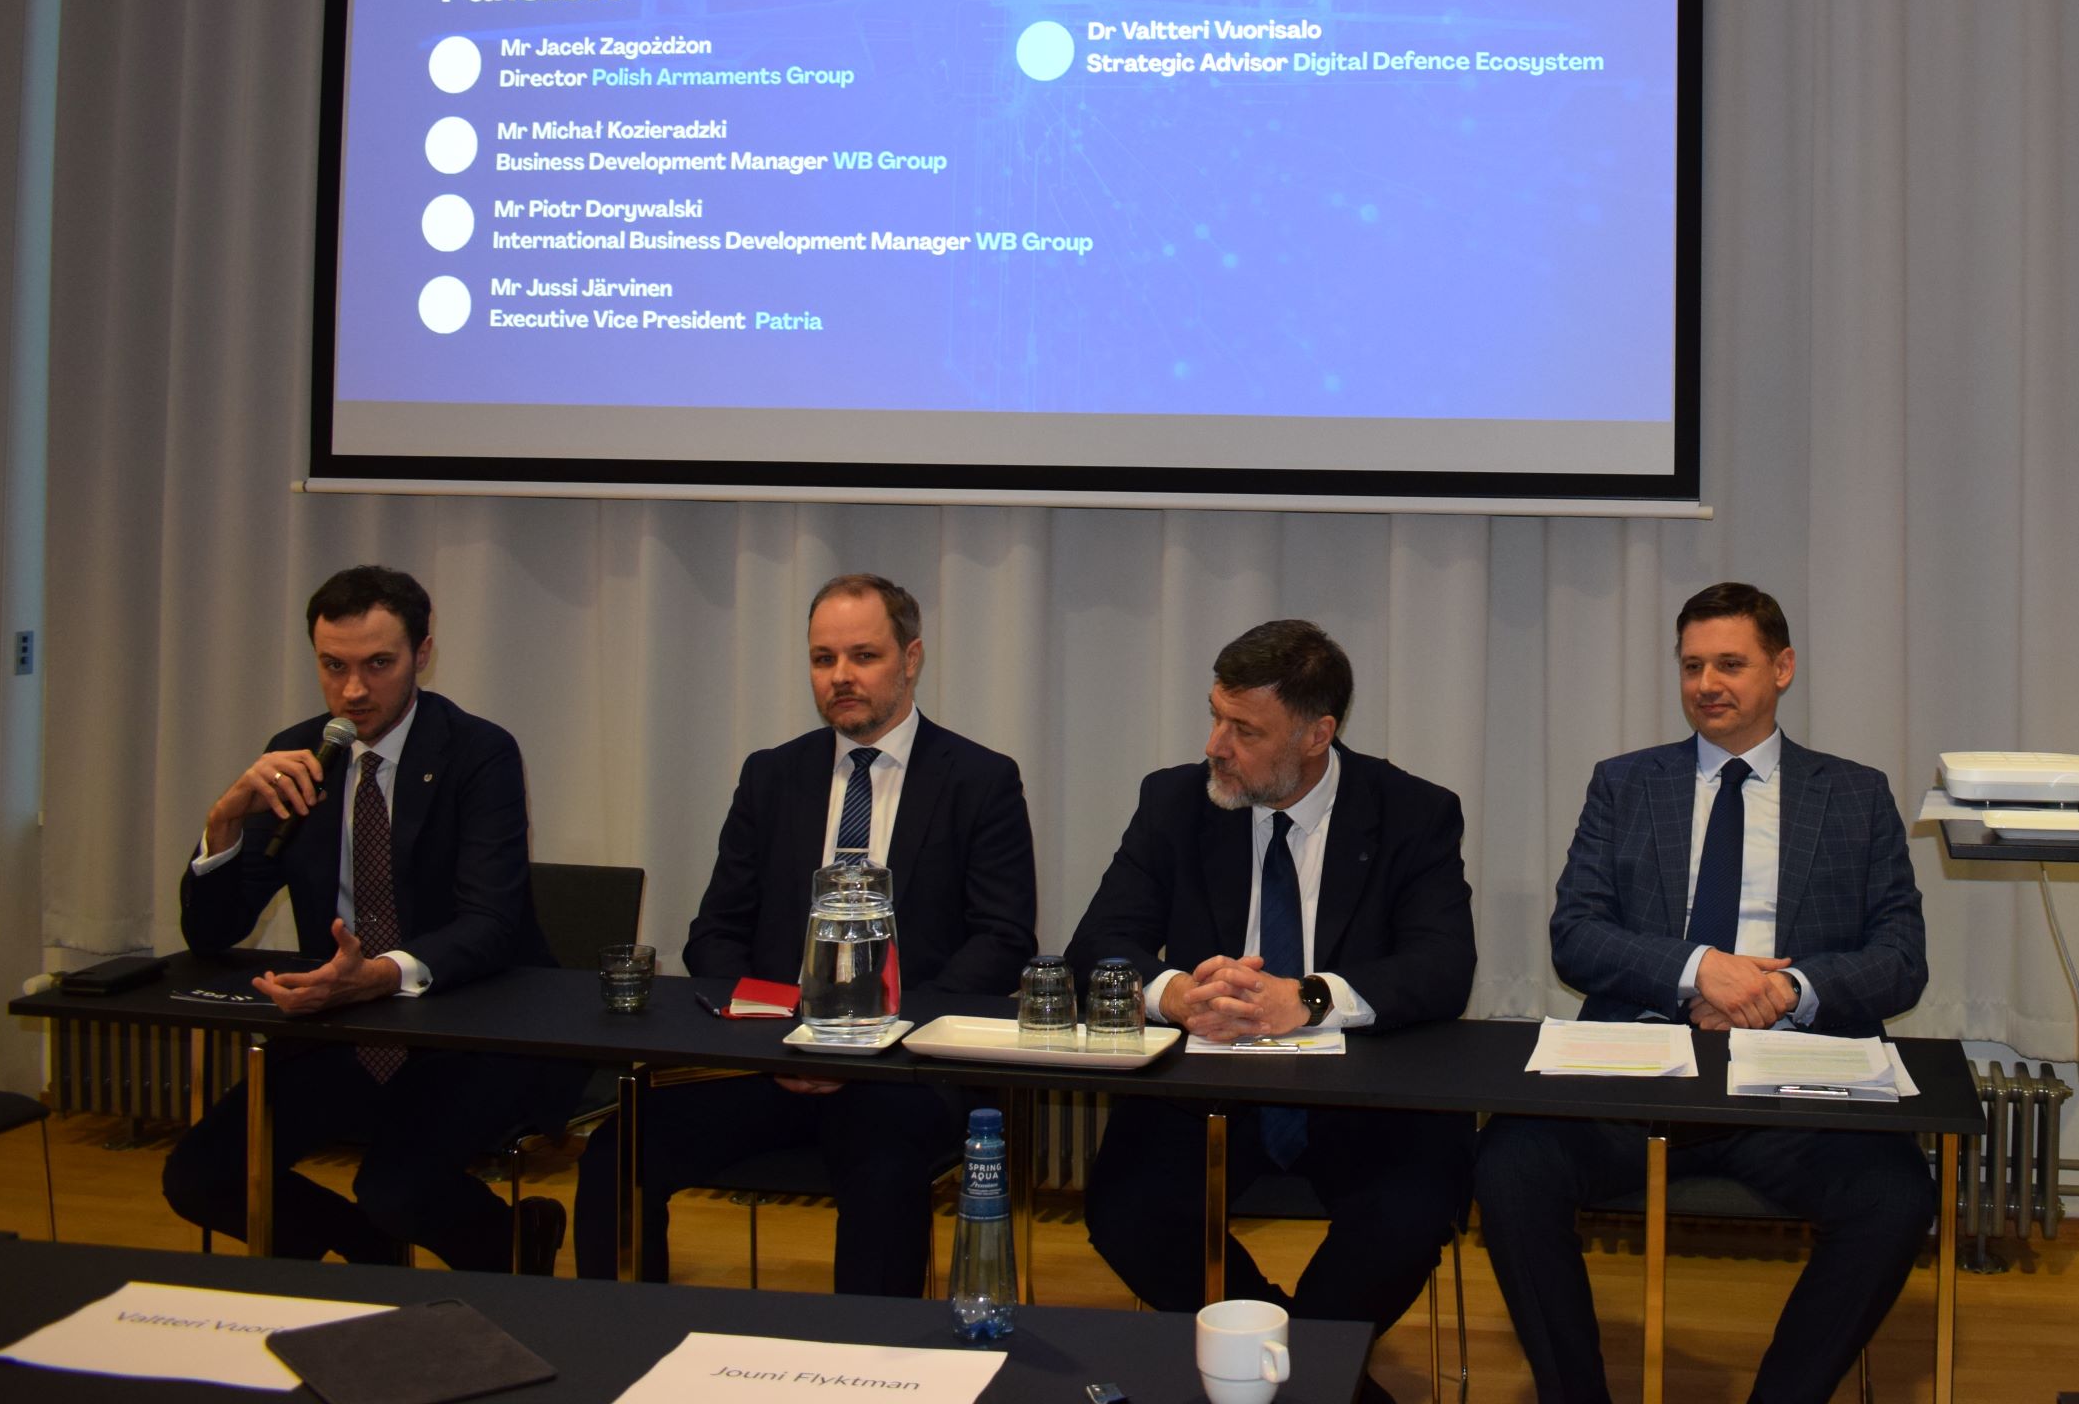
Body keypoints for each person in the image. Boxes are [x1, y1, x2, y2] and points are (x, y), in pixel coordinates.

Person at [1474, 582, 1934, 1404]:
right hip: (1641, 1072)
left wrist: (1785, 989)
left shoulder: (1854, 795)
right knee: (1509, 1166)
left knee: (1895, 1197)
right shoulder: (1625, 784)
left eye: (1730, 664)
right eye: (1692, 666)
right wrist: (1698, 970)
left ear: (1782, 668)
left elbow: (1900, 959)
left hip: (1790, 1081)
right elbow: (1576, 934)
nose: (1706, 684)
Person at [575, 572, 1036, 1295]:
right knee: (619, 1148)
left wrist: (876, 1032)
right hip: (777, 1057)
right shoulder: (772, 776)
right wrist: (784, 1031)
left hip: (906, 1070)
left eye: (863, 656)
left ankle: (867, 1353)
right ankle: (622, 1338)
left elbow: (1002, 940)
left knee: (882, 1162)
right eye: (823, 659)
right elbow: (714, 934)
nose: (840, 676)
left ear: (911, 659)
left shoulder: (979, 779)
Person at [1067, 618, 1476, 1340]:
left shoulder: (1413, 813)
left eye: (1245, 731)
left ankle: (1290, 1372)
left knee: (1405, 1214)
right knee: (1130, 1208)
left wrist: (1308, 999)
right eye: (1215, 717)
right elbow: (1097, 944)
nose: (1214, 746)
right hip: (1209, 1086)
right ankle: (1293, 1366)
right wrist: (1176, 995)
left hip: (1368, 1093)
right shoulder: (1175, 803)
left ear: (1317, 734)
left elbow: (1443, 967)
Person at [163, 565, 580, 1274]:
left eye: (378, 665)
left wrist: (380, 975)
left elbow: (491, 924)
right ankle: (368, 1248)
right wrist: (223, 824)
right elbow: (212, 933)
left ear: (423, 654)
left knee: (398, 1188)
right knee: (201, 1177)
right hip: (342, 1030)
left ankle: (512, 1241)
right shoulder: (301, 755)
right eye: (334, 667)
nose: (353, 690)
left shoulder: (477, 753)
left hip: (472, 1026)